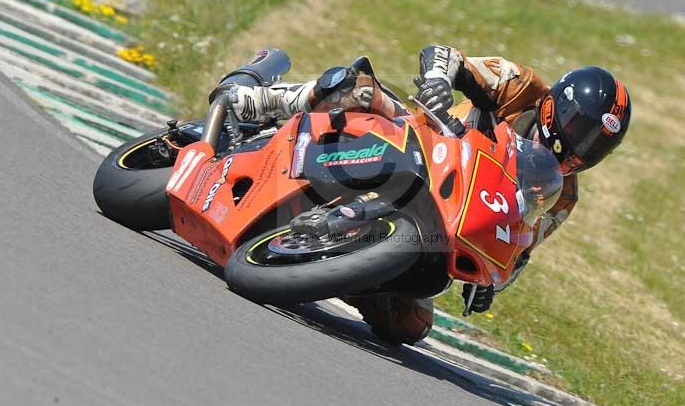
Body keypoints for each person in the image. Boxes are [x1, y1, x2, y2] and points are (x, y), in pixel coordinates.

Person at [216, 46, 632, 344]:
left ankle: (334, 264)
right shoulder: (520, 86)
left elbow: (520, 248)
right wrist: (438, 82)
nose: (581, 146)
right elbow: (444, 55)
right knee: (358, 88)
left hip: (442, 224)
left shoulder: (561, 197)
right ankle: (266, 101)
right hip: (425, 144)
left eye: (596, 144)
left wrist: (490, 283)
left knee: (410, 324)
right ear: (557, 106)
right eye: (581, 128)